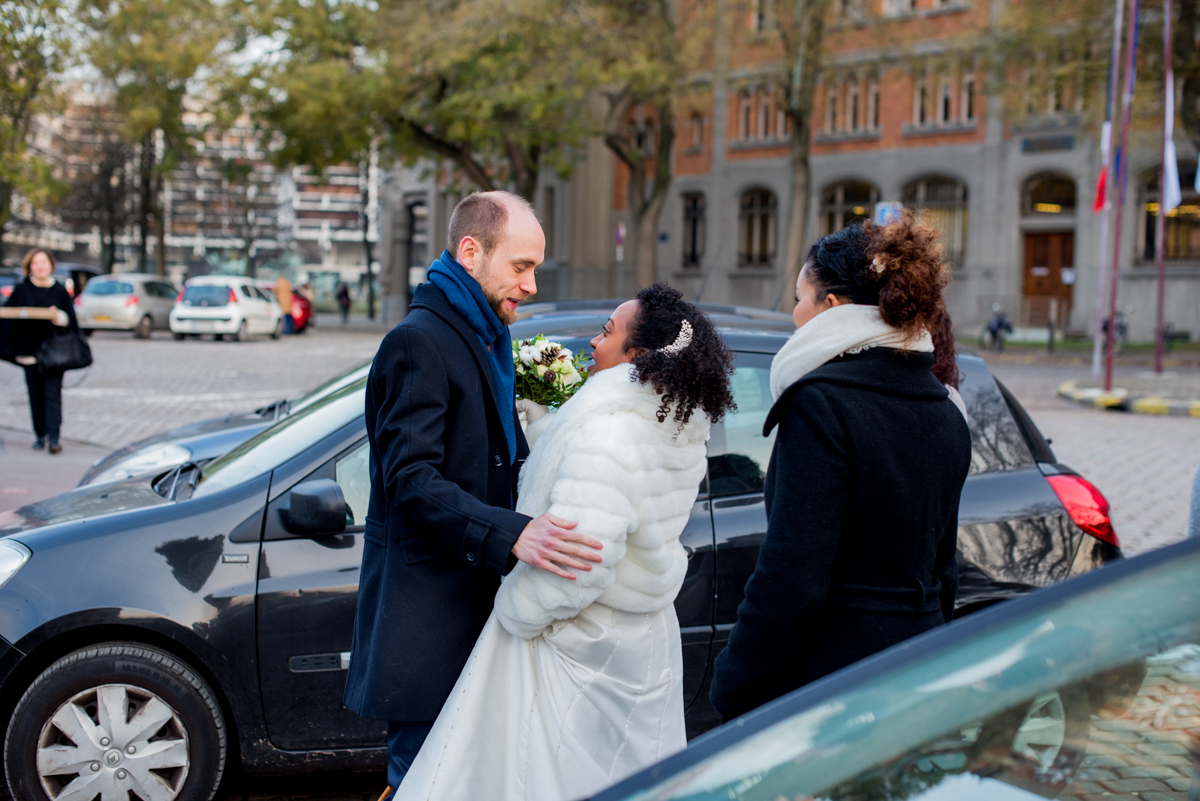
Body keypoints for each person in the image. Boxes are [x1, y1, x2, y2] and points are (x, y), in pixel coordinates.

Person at [395, 283, 735, 801]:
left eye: (607, 332)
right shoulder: (674, 424)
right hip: (641, 637)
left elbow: (580, 556)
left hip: (583, 642)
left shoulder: (611, 434)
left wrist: (518, 611)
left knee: (541, 777)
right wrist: (547, 426)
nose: (594, 343)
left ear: (637, 357)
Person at [343, 191, 603, 795]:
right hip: (429, 633)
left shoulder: (483, 335)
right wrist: (516, 535)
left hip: (475, 623)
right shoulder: (419, 342)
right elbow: (410, 482)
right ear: (470, 251)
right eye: (521, 266)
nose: (532, 284)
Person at [710, 212, 972, 722]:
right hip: (919, 665)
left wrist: (735, 684)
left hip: (836, 675)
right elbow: (944, 571)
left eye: (798, 297)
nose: (793, 313)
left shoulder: (821, 404)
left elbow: (793, 573)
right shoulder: (946, 408)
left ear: (830, 306)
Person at [2, 248, 77, 454]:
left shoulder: (60, 290)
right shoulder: (22, 289)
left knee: (52, 395)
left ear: (50, 265)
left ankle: (54, 437)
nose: (40, 266)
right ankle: (40, 435)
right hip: (29, 352)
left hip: (55, 354)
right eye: (35, 263)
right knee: (35, 395)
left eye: (43, 262)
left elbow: (71, 320)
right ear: (30, 267)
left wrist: (59, 318)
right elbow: (9, 318)